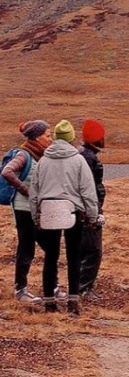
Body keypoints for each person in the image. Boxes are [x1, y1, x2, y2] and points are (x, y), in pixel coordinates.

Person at [29, 120, 98, 315]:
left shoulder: (43, 160)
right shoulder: (78, 160)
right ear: (70, 138)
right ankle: (73, 303)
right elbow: (87, 191)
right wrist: (92, 216)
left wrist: (36, 215)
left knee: (51, 257)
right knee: (73, 256)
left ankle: (49, 302)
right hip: (72, 213)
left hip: (48, 211)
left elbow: (35, 191)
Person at [1, 120, 52, 304]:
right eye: (47, 135)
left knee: (49, 247)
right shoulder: (24, 155)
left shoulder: (39, 155)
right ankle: (20, 290)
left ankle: (51, 286)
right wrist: (27, 191)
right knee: (26, 248)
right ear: (37, 137)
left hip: (35, 210)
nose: (50, 139)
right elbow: (7, 172)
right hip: (23, 210)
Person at [78, 119, 106, 299]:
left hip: (82, 209)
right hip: (89, 209)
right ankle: (84, 288)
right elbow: (90, 189)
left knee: (82, 249)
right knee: (93, 250)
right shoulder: (89, 158)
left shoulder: (82, 154)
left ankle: (79, 286)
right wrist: (95, 213)